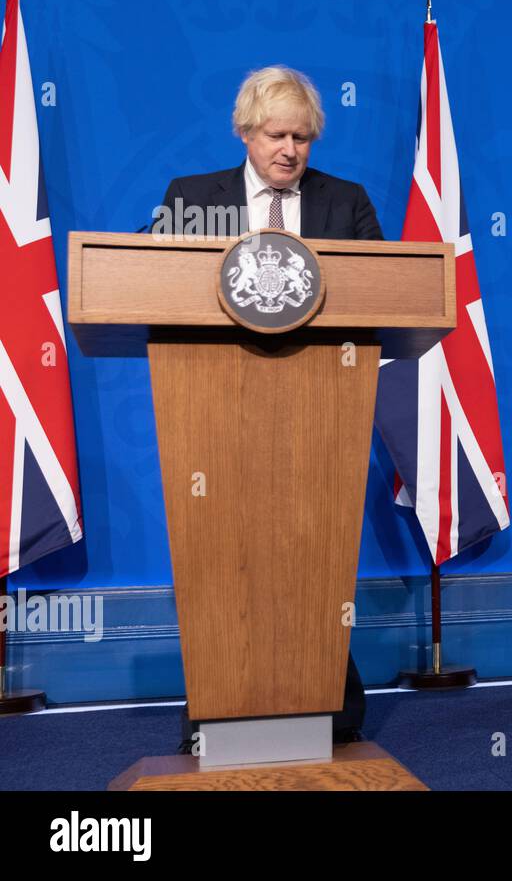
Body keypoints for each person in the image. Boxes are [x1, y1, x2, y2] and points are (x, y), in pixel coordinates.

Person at [155, 66, 377, 751]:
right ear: (245, 131)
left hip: (320, 420)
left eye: (303, 137)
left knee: (310, 553)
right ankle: (218, 713)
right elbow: (144, 271)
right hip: (214, 418)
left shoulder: (346, 203)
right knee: (226, 557)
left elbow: (388, 289)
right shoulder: (195, 199)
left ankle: (325, 708)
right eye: (277, 134)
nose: (291, 149)